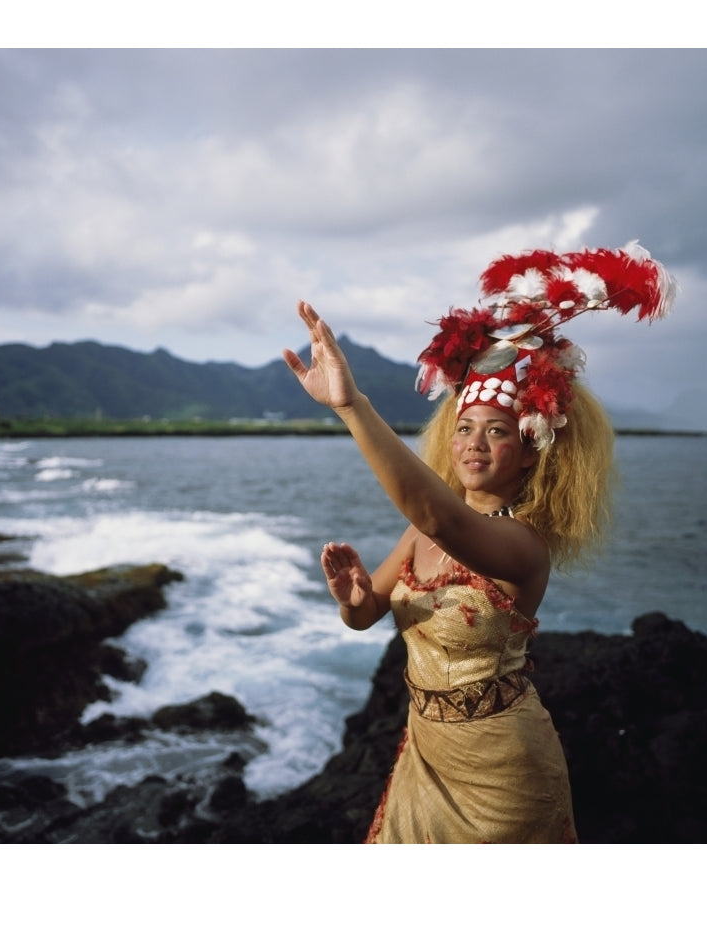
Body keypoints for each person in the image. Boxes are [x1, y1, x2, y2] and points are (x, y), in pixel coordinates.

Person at [283, 241, 676, 843]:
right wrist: (351, 595)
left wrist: (352, 406)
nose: (473, 444)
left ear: (529, 455)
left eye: (497, 433)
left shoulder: (521, 547)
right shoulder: (421, 532)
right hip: (426, 754)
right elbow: (364, 617)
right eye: (464, 428)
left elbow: (441, 519)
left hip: (504, 771)